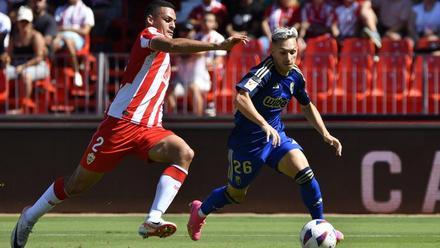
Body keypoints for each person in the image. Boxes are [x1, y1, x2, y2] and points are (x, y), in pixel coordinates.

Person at [10, 1, 247, 247]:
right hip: (120, 125)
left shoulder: (162, 49)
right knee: (76, 185)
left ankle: (153, 218)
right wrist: (217, 44)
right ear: (151, 20)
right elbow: (173, 45)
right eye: (167, 19)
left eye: (174, 20)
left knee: (184, 152)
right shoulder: (148, 35)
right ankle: (29, 216)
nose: (173, 24)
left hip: (150, 128)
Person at [186, 26, 344, 244]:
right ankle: (199, 212)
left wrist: (325, 134)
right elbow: (240, 98)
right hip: (247, 142)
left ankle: (322, 226)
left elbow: (307, 106)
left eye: (292, 52)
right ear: (272, 51)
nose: (288, 57)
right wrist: (262, 124)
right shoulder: (264, 72)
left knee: (306, 175)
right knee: (235, 195)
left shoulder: (296, 75)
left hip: (276, 136)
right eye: (283, 52)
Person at [1, 5, 49, 114]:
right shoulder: (14, 38)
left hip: (38, 67)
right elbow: (9, 55)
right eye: (21, 22)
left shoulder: (36, 36)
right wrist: (6, 60)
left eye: (26, 22)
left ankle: (23, 107)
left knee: (26, 75)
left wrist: (23, 66)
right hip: (17, 67)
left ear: (30, 22)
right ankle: (3, 102)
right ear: (17, 23)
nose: (23, 25)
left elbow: (39, 57)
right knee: (3, 73)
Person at [53, 0, 95, 87]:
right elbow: (54, 27)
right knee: (52, 44)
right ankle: (50, 74)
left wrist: (68, 29)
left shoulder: (86, 10)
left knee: (68, 40)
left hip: (78, 39)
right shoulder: (60, 9)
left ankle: (76, 72)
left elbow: (85, 31)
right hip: (60, 36)